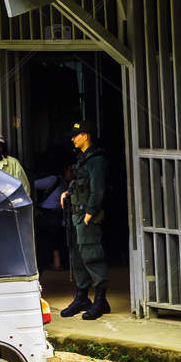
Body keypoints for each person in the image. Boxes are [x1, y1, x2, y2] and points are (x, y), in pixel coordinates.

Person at [60, 121, 110, 320]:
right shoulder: (82, 160)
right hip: (76, 214)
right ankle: (82, 297)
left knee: (91, 254)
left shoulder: (96, 160)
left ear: (86, 136)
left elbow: (98, 190)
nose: (73, 138)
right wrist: (67, 193)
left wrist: (90, 212)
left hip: (87, 216)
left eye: (76, 135)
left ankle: (100, 300)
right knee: (78, 256)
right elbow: (81, 185)